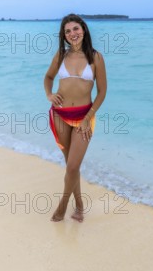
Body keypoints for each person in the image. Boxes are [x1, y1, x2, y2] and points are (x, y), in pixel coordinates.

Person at [44, 14, 107, 222]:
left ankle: (62, 206)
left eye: (76, 29)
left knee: (72, 167)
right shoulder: (60, 56)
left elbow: (102, 92)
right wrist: (50, 95)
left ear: (84, 30)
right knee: (72, 166)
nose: (73, 33)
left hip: (84, 117)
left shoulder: (95, 57)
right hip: (59, 115)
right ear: (64, 35)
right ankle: (79, 206)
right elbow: (48, 77)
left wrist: (88, 117)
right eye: (68, 31)